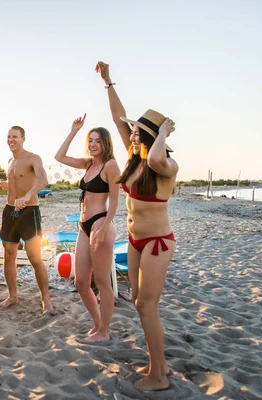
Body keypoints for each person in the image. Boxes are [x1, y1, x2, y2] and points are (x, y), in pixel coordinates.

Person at [98, 61, 177, 391]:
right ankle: (156, 364)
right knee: (140, 304)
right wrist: (107, 82)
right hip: (134, 241)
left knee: (147, 305)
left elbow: (158, 158)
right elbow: (118, 117)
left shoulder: (165, 165)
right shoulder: (133, 159)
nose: (130, 133)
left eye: (137, 131)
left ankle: (158, 375)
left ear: (151, 135)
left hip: (158, 243)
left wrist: (162, 134)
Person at [54, 114, 120, 342]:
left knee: (102, 281)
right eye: (90, 140)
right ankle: (98, 324)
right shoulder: (88, 163)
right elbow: (59, 156)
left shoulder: (111, 166)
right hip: (83, 225)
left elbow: (115, 201)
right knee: (81, 281)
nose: (92, 144)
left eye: (97, 141)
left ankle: (105, 330)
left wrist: (103, 229)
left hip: (101, 222)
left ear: (106, 144)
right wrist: (73, 131)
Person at [0, 126, 53, 315]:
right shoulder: (11, 161)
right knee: (9, 256)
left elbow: (43, 179)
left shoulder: (33, 158)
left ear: (23, 138)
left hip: (29, 212)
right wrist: (0, 184)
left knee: (34, 257)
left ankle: (46, 300)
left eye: (15, 137)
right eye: (9, 136)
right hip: (10, 211)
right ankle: (13, 296)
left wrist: (28, 196)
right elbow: (14, 184)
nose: (11, 140)